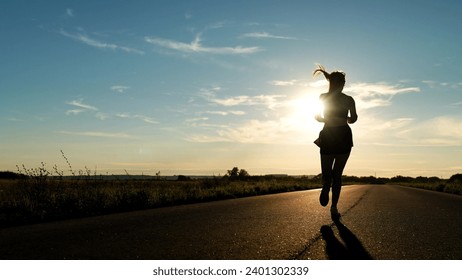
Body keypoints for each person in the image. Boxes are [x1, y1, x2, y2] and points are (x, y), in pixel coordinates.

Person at [313, 64, 357, 220]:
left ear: (330, 83)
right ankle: (334, 208)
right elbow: (354, 119)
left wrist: (327, 119)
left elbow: (317, 117)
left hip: (328, 134)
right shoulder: (349, 99)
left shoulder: (323, 97)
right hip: (344, 135)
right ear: (343, 84)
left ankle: (325, 186)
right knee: (337, 175)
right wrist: (345, 118)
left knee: (327, 174)